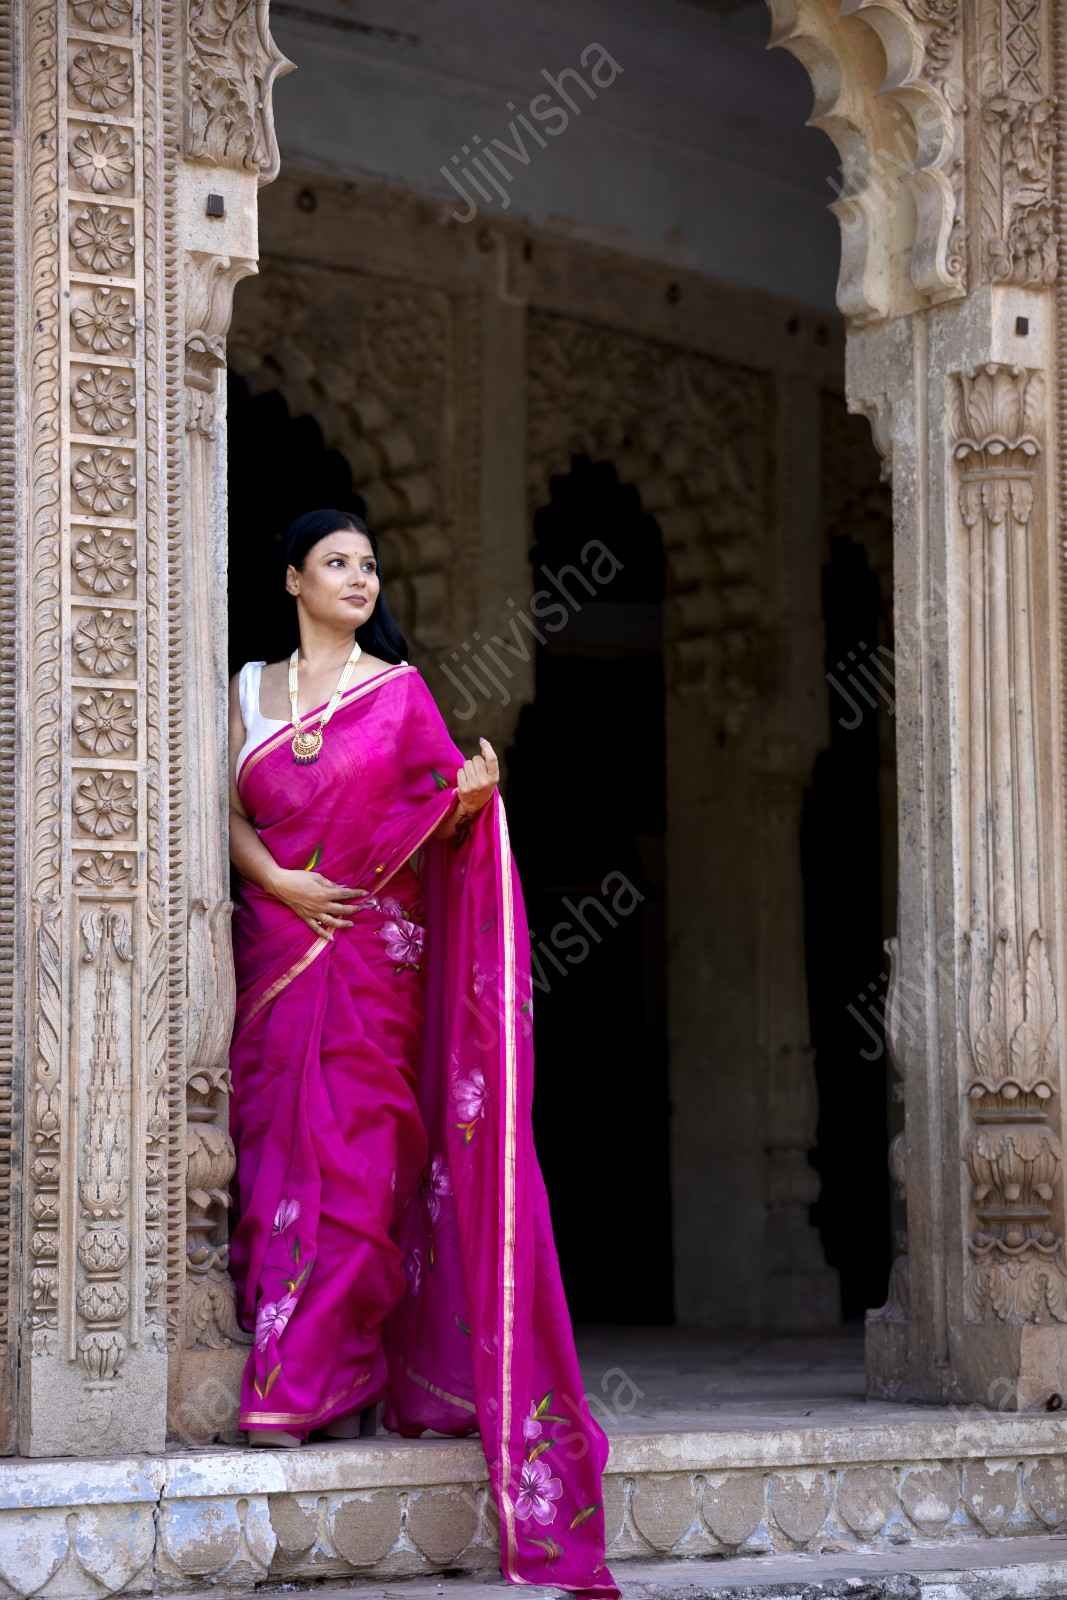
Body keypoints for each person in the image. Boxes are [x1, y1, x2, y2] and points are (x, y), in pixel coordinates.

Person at [227, 508, 618, 1598]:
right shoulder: (246, 691)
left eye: (368, 564)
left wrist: (468, 801)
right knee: (269, 1170)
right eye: (337, 562)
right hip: (275, 956)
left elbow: (436, 818)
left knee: (358, 1170)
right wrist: (279, 882)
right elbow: (221, 813)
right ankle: (288, 1367)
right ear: (293, 577)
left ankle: (321, 1378)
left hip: (370, 972)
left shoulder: (395, 695)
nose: (359, 577)